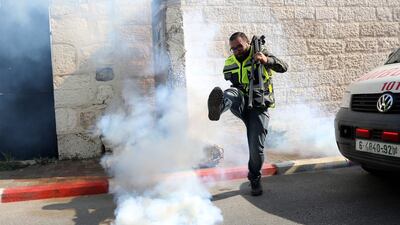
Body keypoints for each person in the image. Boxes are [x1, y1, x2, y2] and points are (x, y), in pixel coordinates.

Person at [207, 32, 288, 196]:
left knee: (256, 150)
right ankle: (218, 109)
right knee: (231, 92)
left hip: (259, 106)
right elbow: (232, 81)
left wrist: (266, 60)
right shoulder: (230, 62)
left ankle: (254, 177)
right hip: (241, 103)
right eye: (233, 48)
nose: (236, 50)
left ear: (247, 44)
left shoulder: (261, 53)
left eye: (239, 46)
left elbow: (284, 66)